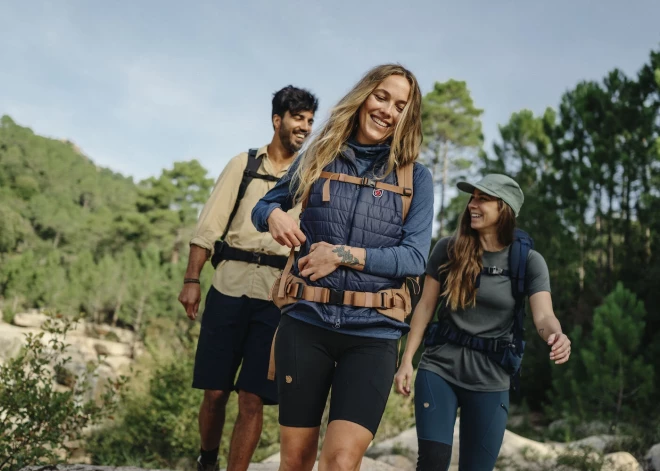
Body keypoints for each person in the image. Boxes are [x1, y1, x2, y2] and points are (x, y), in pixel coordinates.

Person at [251, 64, 434, 471]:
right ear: (365, 95)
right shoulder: (320, 154)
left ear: (408, 116)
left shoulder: (416, 178)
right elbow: (264, 207)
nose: (388, 110)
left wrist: (342, 253)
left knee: (340, 461)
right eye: (382, 97)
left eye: (400, 105)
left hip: (373, 334)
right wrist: (274, 217)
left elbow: (415, 258)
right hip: (306, 324)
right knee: (295, 460)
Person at [178, 85, 318, 471]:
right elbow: (208, 227)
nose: (305, 127)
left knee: (252, 398)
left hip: (276, 299)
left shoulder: (310, 178)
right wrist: (192, 280)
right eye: (297, 118)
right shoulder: (243, 165)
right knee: (215, 392)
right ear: (277, 120)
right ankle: (207, 460)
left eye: (309, 120)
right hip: (228, 287)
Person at [394, 174, 572, 471]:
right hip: (440, 369)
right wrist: (407, 360)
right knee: (433, 462)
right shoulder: (448, 249)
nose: (472, 205)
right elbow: (424, 307)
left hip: (491, 379)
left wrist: (556, 335)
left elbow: (543, 316)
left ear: (504, 208)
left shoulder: (528, 261)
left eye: (482, 199)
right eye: (472, 198)